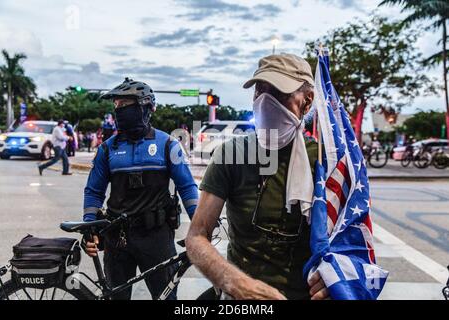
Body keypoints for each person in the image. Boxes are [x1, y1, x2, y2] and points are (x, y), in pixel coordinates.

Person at [186, 54, 329, 300]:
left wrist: (336, 278)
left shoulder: (326, 161)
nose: (265, 101)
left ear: (307, 102)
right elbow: (197, 237)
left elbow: (351, 243)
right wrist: (236, 284)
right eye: (259, 91)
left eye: (277, 92)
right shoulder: (232, 153)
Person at [82, 78, 199, 300]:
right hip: (117, 237)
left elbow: (187, 187)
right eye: (116, 106)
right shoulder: (107, 149)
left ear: (145, 107)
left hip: (157, 237)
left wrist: (201, 226)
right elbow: (94, 191)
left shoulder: (168, 144)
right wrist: (90, 225)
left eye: (124, 105)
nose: (119, 111)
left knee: (166, 297)